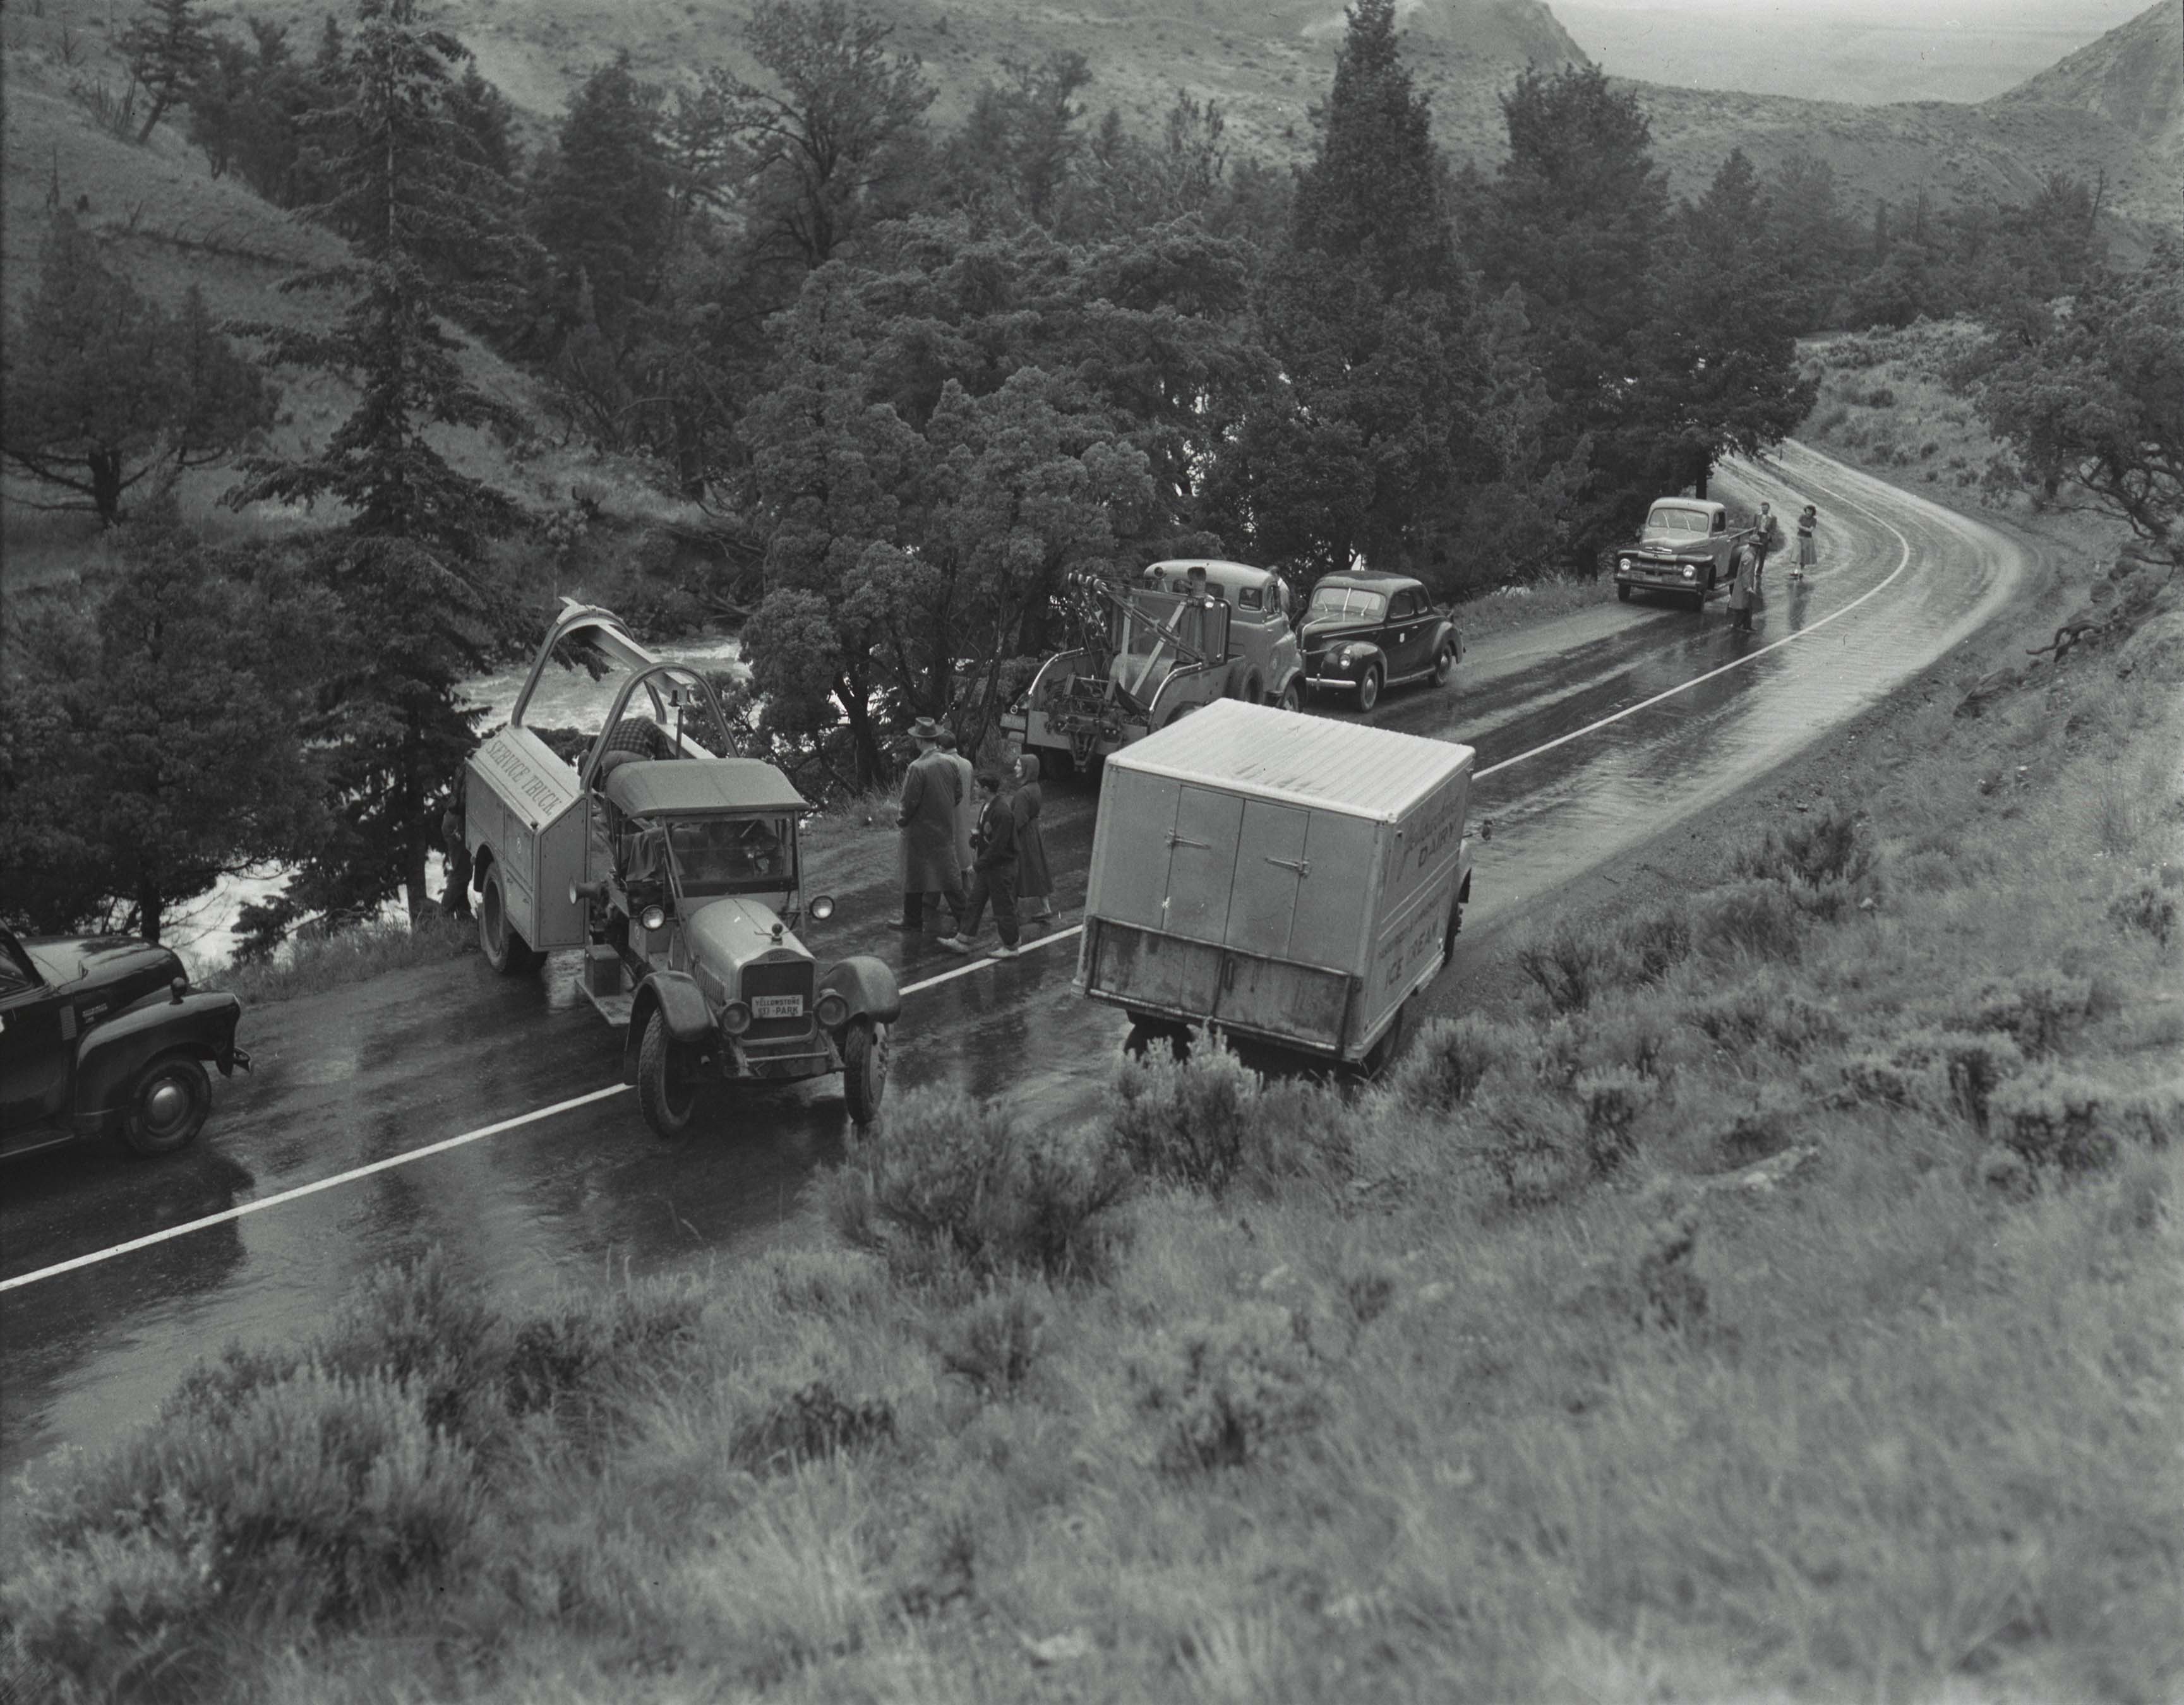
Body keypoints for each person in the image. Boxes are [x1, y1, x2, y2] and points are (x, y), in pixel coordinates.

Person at [939, 771, 1021, 957]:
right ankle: (963, 939)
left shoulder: (1002, 812)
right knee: (974, 902)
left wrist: (976, 866)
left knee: (1003, 907)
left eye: (976, 787)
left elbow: (999, 847)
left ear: (986, 789)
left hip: (1000, 868)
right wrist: (976, 840)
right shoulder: (987, 806)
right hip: (989, 868)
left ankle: (1011, 946)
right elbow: (987, 834)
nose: (974, 790)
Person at [895, 719, 964, 936]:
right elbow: (958, 794)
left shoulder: (917, 767)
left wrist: (902, 820)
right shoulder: (950, 762)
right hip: (943, 826)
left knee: (915, 875)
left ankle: (913, 920)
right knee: (948, 875)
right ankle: (966, 921)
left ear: (919, 740)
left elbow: (909, 802)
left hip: (920, 829)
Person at [1012, 751, 1055, 924]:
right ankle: (1045, 907)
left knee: (1015, 869)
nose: (1015, 768)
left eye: (1019, 766)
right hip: (1033, 832)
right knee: (1037, 869)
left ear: (1027, 770)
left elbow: (1018, 820)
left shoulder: (1023, 793)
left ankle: (1011, 907)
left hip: (1023, 836)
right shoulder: (1035, 787)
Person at [935, 726, 976, 892]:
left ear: (941, 748)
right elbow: (972, 789)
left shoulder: (943, 765)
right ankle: (969, 894)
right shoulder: (967, 764)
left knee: (951, 858)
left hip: (949, 816)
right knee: (964, 853)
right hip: (965, 812)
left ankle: (960, 901)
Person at [440, 775, 472, 920]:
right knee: (462, 872)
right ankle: (444, 914)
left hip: (453, 821)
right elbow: (464, 801)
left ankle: (464, 913)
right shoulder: (470, 770)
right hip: (457, 823)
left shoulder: (466, 764)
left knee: (463, 870)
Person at [1727, 541, 1758, 633]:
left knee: (1746, 606)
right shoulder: (1750, 557)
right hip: (1743, 586)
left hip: (1742, 584)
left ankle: (1746, 626)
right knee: (1742, 606)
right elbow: (1746, 574)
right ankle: (1739, 626)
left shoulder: (1746, 553)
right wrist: (1748, 587)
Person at [1751, 502, 1780, 588]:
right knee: (1753, 553)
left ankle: (1759, 572)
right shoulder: (1757, 515)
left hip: (1765, 536)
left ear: (1769, 508)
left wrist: (1769, 536)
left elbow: (1774, 530)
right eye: (1763, 508)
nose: (1764, 509)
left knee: (1762, 555)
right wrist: (1753, 535)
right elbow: (1754, 526)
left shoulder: (1773, 518)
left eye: (1766, 508)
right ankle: (1752, 570)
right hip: (1757, 535)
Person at [1794, 505, 1818, 580]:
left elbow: (1811, 530)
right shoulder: (1802, 517)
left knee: (1804, 556)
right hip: (1799, 537)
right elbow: (1798, 526)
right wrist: (1806, 528)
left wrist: (1803, 528)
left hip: (1808, 539)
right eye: (1807, 511)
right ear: (1806, 510)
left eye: (1810, 511)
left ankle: (1801, 571)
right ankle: (1796, 570)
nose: (1809, 512)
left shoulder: (1814, 520)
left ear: (1813, 512)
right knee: (1797, 554)